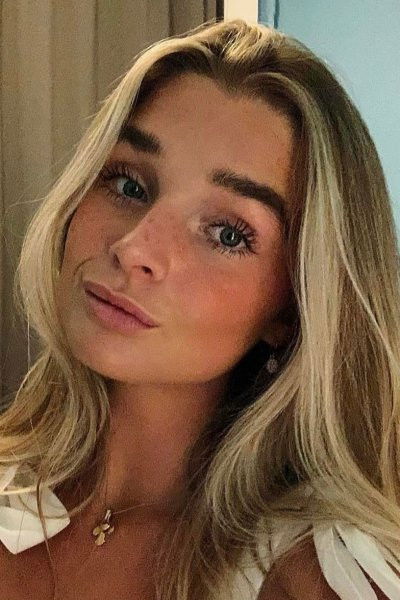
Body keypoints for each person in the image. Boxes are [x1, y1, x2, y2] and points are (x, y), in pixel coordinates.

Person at [0, 17, 399, 600]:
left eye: (228, 234)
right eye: (129, 185)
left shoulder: (316, 579)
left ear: (292, 308)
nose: (134, 248)